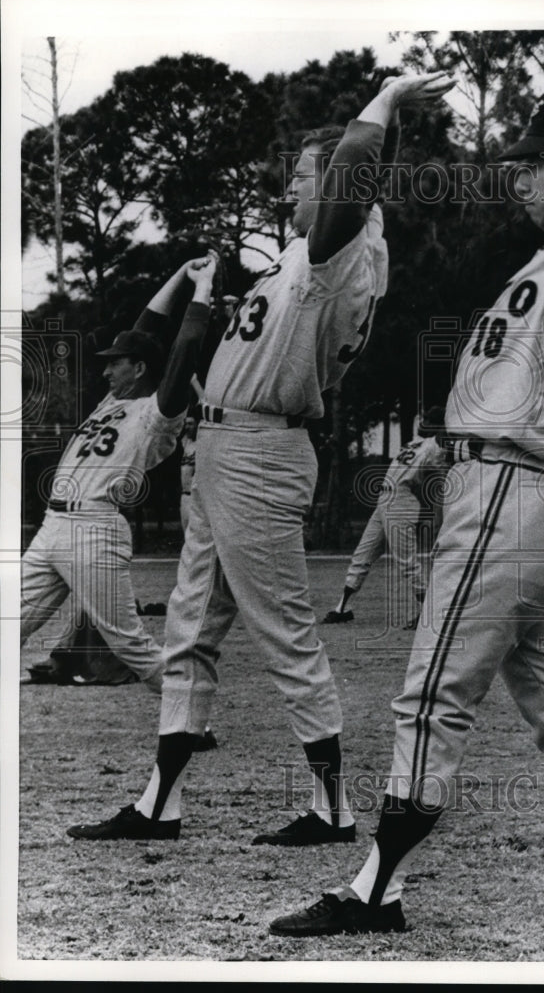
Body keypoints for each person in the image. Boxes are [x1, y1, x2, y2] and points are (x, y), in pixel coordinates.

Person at [270, 90, 544, 937]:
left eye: (534, 164)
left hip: (509, 496)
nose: (517, 178)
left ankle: (374, 893)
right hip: (518, 498)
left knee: (431, 697)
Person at [67, 72, 456, 845]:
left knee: (284, 631)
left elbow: (353, 181)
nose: (291, 190)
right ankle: (160, 804)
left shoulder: (342, 248)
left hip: (260, 451)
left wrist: (381, 103)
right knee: (189, 630)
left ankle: (333, 809)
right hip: (227, 448)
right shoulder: (306, 252)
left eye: (304, 176)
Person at [21, 254, 219, 695]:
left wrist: (203, 291)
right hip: (54, 526)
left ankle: (189, 716)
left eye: (116, 362)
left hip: (94, 528)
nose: (106, 370)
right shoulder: (113, 401)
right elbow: (145, 327)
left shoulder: (157, 412)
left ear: (140, 368)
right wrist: (180, 275)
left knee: (131, 645)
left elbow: (184, 349)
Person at [322, 407, 451, 630]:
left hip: (401, 501)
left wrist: (437, 516)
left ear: (439, 426)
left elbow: (439, 482)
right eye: (425, 418)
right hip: (385, 499)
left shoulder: (436, 448)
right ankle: (341, 608)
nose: (424, 422)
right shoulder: (416, 442)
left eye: (430, 420)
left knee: (407, 562)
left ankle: (429, 613)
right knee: (362, 556)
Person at [179, 409, 200, 531]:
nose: (187, 427)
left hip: (196, 496)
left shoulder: (202, 444)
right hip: (184, 496)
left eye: (191, 424)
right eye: (186, 424)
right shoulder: (185, 442)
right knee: (185, 532)